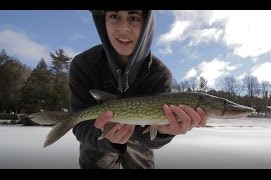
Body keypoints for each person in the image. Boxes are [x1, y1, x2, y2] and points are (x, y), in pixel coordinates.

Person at [69, 10, 208, 169]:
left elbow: (151, 136)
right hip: (98, 140)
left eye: (134, 18)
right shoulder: (83, 64)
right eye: (114, 16)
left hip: (140, 143)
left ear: (146, 24)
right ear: (103, 21)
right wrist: (104, 136)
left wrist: (164, 133)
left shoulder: (159, 73)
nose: (123, 28)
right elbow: (79, 124)